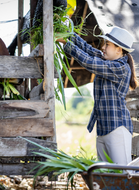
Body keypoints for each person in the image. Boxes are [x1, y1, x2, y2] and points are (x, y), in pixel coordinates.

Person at [58, 26, 138, 165]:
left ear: (119, 49)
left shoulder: (120, 68)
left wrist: (67, 43)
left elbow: (90, 62)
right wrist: (68, 35)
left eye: (107, 45)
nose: (103, 47)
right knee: (105, 175)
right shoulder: (107, 60)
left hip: (117, 128)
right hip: (102, 128)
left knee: (122, 174)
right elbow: (87, 49)